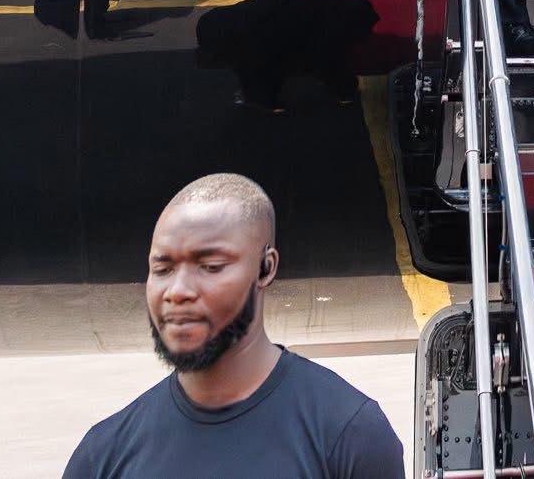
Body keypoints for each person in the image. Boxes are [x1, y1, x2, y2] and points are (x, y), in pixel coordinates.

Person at [64, 173, 403, 478]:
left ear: (265, 268)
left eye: (211, 266)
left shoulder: (350, 435)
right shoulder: (101, 456)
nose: (177, 291)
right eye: (162, 269)